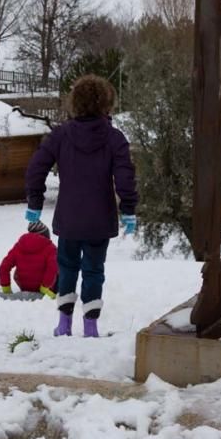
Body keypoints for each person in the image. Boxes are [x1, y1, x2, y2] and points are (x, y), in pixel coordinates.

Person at [25, 74, 139, 338]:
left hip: (69, 218)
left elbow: (36, 168)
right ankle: (90, 327)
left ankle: (64, 325)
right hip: (100, 220)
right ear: (107, 103)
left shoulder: (60, 136)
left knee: (66, 268)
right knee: (94, 271)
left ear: (75, 102)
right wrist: (129, 209)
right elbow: (125, 176)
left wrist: (35, 202)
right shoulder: (114, 138)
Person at [0, 221, 59, 299]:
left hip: (24, 286)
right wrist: (45, 287)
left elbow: (4, 267)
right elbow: (52, 269)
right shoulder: (51, 248)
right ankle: (51, 293)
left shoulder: (19, 246)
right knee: (60, 264)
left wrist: (6, 290)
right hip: (45, 288)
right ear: (45, 234)